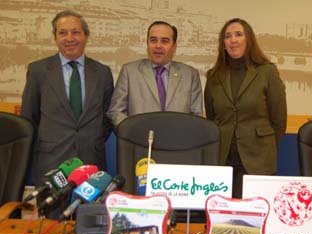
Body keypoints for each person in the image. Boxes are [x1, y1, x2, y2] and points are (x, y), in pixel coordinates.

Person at [21, 10, 114, 216]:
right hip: (52, 164)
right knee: (51, 229)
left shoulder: (103, 73)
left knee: (88, 227)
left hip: (92, 165)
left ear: (86, 36)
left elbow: (107, 116)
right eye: (63, 33)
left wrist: (92, 138)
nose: (69, 38)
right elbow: (29, 119)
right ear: (55, 37)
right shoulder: (38, 71)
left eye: (76, 32)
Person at [204, 18, 287, 198]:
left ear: (248, 39)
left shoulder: (267, 72)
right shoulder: (213, 77)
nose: (233, 40)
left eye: (238, 34)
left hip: (257, 161)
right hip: (223, 163)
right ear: (223, 44)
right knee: (224, 220)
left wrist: (264, 149)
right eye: (227, 36)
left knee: (253, 220)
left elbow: (279, 120)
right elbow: (211, 119)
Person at [107, 21, 203, 127]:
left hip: (178, 142)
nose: (158, 45)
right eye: (153, 40)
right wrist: (133, 134)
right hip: (138, 141)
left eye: (165, 41)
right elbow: (116, 112)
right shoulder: (129, 71)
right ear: (147, 44)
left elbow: (196, 117)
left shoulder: (190, 75)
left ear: (174, 47)